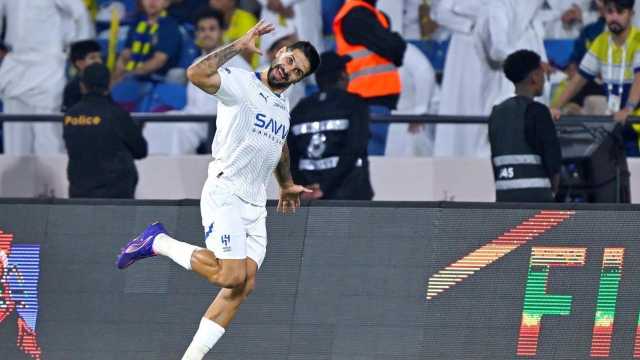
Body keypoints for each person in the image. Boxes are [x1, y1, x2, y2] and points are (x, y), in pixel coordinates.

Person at [115, 21, 320, 360]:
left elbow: (279, 144)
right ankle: (158, 242)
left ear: (300, 78)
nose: (287, 71)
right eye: (288, 61)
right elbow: (196, 74)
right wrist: (238, 46)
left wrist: (285, 183)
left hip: (255, 204)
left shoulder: (283, 106)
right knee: (230, 273)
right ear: (280, 53)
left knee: (242, 285)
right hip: (225, 191)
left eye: (296, 71)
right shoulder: (240, 83)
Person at [143, 9, 252, 155]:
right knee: (154, 124)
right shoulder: (195, 63)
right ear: (197, 34)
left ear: (221, 32)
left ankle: (175, 174)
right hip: (192, 115)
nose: (206, 34)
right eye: (202, 30)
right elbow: (192, 106)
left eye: (212, 29)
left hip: (217, 123)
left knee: (179, 130)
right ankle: (153, 173)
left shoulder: (235, 62)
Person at [0, 0, 91, 155]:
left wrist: (76, 50)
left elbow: (80, 12)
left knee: (49, 135)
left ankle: (51, 178)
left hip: (47, 66)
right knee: (15, 134)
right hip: (15, 66)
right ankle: (16, 177)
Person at [551, 0, 640, 156]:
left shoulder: (638, 39)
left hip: (635, 124)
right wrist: (555, 107)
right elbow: (578, 79)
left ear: (631, 14)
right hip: (615, 122)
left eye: (620, 12)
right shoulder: (601, 41)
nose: (614, 17)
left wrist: (628, 108)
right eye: (610, 12)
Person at [289, 51, 373, 200]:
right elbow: (354, 149)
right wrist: (325, 187)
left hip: (310, 199)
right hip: (350, 198)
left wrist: (302, 187)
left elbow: (288, 154)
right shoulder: (355, 104)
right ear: (342, 76)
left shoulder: (300, 109)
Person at [333, 0, 406, 156]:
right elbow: (395, 48)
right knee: (370, 164)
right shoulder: (356, 15)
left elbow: (395, 53)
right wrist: (396, 40)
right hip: (367, 100)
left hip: (374, 99)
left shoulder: (372, 14)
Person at [64, 63, 148, 198]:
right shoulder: (117, 114)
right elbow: (140, 150)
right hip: (116, 194)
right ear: (109, 85)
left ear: (82, 85)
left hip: (80, 192)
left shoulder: (70, 115)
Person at [489, 50, 562, 203]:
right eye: (542, 72)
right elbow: (552, 159)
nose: (544, 78)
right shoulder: (539, 111)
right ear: (535, 76)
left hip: (504, 196)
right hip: (537, 198)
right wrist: (554, 190)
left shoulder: (496, 112)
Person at [431, 0, 492, 158]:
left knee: (485, 99)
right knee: (459, 98)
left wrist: (462, 9)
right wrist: (469, 24)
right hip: (463, 47)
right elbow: (440, 13)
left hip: (491, 44)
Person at [385, 42, 437, 156]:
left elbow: (424, 72)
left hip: (413, 119)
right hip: (396, 117)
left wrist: (420, 112)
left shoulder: (402, 48)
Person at [113, 0, 183, 84]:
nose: (152, 2)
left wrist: (127, 76)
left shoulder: (169, 26)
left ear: (166, 3)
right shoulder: (137, 23)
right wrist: (115, 77)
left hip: (155, 81)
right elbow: (125, 55)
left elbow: (159, 61)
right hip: (130, 78)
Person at [208, 0, 259, 67]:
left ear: (232, 1)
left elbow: (246, 57)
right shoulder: (211, 21)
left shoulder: (245, 19)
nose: (214, 1)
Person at [62, 40, 103, 112]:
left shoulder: (102, 83)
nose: (99, 61)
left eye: (99, 57)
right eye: (93, 58)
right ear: (79, 63)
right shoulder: (72, 87)